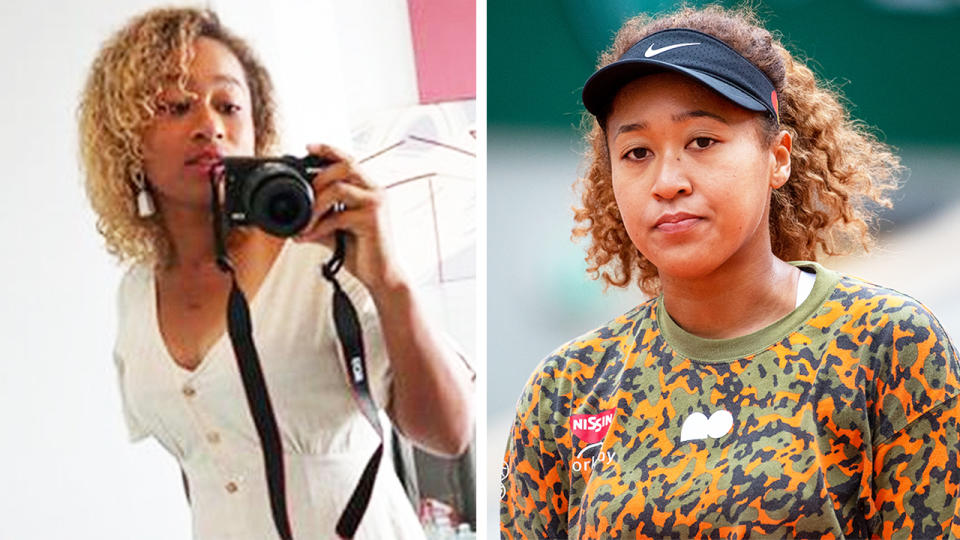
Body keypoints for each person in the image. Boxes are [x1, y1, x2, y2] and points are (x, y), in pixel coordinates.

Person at [500, 5, 960, 539]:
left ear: (778, 157)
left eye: (702, 141)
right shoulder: (565, 387)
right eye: (636, 151)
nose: (667, 180)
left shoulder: (889, 343)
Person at [78, 7, 473, 539]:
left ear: (256, 124)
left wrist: (390, 280)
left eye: (229, 105)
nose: (210, 126)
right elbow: (209, 461)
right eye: (175, 106)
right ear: (126, 138)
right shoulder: (135, 292)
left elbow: (448, 434)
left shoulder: (320, 254)